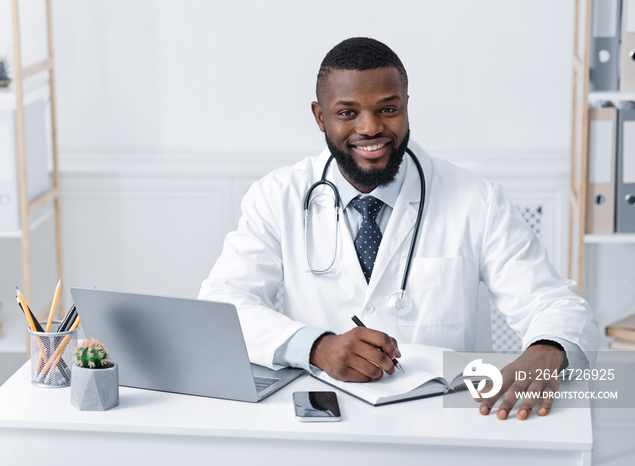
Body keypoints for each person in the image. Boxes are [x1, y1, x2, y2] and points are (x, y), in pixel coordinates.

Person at [199, 37, 599, 420]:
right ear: (320, 116)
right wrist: (316, 347)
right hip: (324, 419)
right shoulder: (276, 196)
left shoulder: (477, 200)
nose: (370, 128)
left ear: (407, 106)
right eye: (347, 112)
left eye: (388, 109)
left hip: (450, 423)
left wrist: (548, 348)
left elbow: (555, 303)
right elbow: (224, 303)